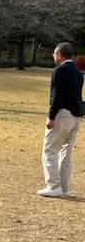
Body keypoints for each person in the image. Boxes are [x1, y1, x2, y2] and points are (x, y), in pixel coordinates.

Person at [38, 42, 83, 198]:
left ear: (59, 54)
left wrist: (51, 117)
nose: (53, 56)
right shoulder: (78, 72)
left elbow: (56, 96)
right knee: (66, 153)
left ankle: (54, 186)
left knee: (49, 150)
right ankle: (64, 188)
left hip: (62, 115)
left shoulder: (59, 70)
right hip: (76, 116)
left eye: (54, 54)